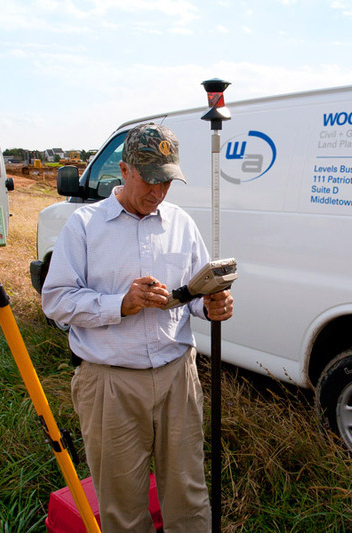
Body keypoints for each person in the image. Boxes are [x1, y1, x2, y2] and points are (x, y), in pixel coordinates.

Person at [41, 122, 233, 533]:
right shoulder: (85, 225)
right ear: (125, 171)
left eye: (166, 182)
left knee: (189, 495)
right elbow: (55, 300)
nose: (158, 192)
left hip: (177, 377)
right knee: (123, 508)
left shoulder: (180, 223)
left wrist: (210, 304)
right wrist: (120, 304)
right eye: (149, 180)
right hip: (110, 385)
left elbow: (193, 293)